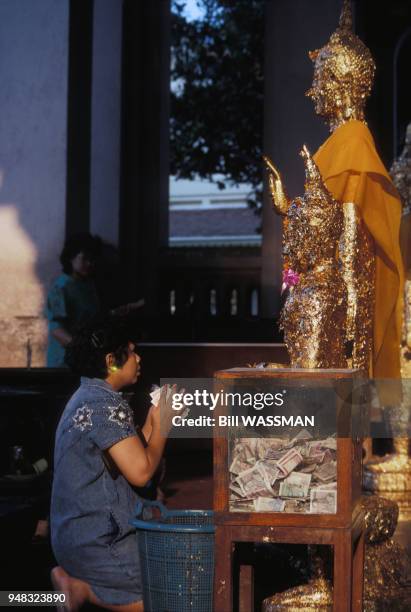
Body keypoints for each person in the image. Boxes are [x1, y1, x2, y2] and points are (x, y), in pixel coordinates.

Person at [50, 316, 179, 611]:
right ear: (112, 361)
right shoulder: (101, 404)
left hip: (77, 536)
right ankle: (82, 590)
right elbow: (141, 471)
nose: (138, 358)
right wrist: (163, 428)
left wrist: (152, 422)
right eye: (131, 352)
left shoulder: (93, 395)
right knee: (176, 591)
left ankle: (77, 588)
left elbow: (130, 453)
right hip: (99, 543)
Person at [306, 0, 404, 378]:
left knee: (343, 414)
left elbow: (349, 237)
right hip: (325, 295)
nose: (312, 90)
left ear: (340, 83)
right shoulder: (337, 144)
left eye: (320, 79)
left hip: (344, 302)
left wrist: (345, 316)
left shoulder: (353, 143)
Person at [46, 233, 101, 367]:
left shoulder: (89, 286)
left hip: (86, 361)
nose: (89, 263)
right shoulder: (60, 288)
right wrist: (81, 348)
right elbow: (56, 329)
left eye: (92, 259)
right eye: (85, 259)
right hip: (64, 362)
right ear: (71, 257)